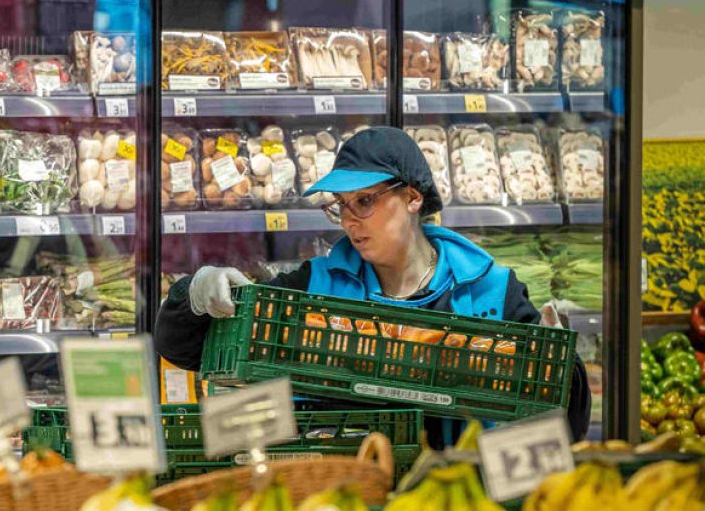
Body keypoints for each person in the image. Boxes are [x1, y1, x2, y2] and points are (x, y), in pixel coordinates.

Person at [154, 126, 590, 444]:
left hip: (464, 498)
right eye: (341, 207)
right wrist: (192, 298)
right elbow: (185, 350)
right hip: (345, 495)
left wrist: (560, 371)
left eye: (364, 202)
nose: (348, 221)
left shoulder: (492, 291)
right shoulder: (316, 287)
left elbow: (561, 425)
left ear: (413, 198)